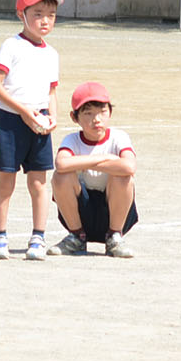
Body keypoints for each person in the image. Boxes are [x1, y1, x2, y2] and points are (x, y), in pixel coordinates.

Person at [0, 0, 62, 260]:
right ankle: (0, 238)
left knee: (40, 183)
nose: (45, 20)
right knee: (6, 182)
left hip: (39, 122)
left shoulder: (52, 53)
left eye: (51, 15)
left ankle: (38, 238)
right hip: (10, 121)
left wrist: (52, 117)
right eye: (38, 13)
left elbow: (51, 92)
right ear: (22, 14)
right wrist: (24, 112)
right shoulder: (11, 45)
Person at [50, 81, 138, 258]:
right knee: (60, 177)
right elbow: (61, 164)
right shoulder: (72, 140)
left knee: (122, 176)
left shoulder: (118, 137)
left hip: (114, 211)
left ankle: (114, 236)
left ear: (110, 113)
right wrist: (104, 159)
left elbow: (129, 166)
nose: (96, 120)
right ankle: (76, 236)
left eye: (102, 112)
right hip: (82, 212)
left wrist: (81, 162)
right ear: (75, 118)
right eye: (88, 113)